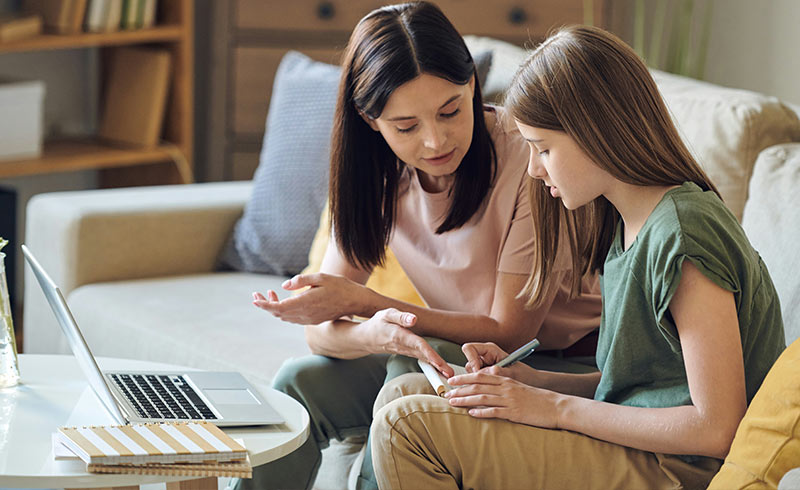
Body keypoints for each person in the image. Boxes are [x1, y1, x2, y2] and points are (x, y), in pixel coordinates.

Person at [369, 25, 786, 490]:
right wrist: (530, 383)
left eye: (543, 148)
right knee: (402, 391)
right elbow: (633, 392)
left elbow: (716, 428)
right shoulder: (625, 225)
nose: (533, 168)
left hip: (677, 467)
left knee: (403, 427)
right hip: (639, 445)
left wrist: (551, 407)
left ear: (597, 131)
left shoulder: (684, 233)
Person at [237, 4, 602, 490]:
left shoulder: (531, 157)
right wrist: (378, 333)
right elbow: (323, 332)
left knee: (413, 365)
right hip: (457, 352)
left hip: (553, 361)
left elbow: (510, 332)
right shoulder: (374, 174)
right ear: (371, 120)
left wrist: (369, 305)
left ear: (472, 83)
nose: (435, 141)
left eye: (451, 110)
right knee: (297, 382)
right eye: (406, 126)